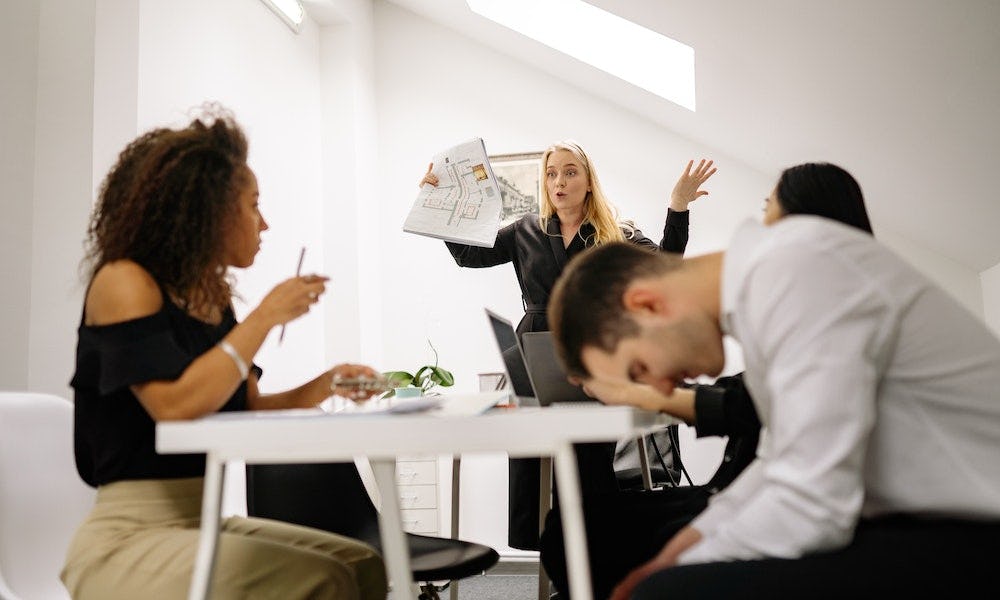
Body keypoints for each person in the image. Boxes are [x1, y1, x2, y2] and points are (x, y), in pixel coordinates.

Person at [547, 166, 1000, 599]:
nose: (660, 390)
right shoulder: (764, 286)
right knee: (662, 578)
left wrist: (678, 570)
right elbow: (776, 463)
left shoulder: (794, 269)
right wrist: (679, 549)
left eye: (639, 369)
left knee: (665, 594)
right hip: (929, 519)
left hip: (975, 531)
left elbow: (813, 503)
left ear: (646, 305)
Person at [62, 105, 388, 600]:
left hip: (199, 520)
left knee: (362, 564)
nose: (265, 223)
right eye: (254, 205)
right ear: (207, 212)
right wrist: (263, 317)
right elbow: (174, 407)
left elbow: (247, 406)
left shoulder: (211, 297)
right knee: (326, 579)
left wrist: (326, 384)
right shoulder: (123, 282)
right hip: (127, 536)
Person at [421, 141, 716, 550]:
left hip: (591, 352)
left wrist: (678, 206)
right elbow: (468, 255)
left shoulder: (615, 233)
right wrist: (440, 203)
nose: (560, 181)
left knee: (589, 459)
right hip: (534, 349)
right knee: (533, 457)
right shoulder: (525, 229)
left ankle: (591, 555)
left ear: (588, 181)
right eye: (552, 172)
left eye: (570, 171)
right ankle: (549, 554)